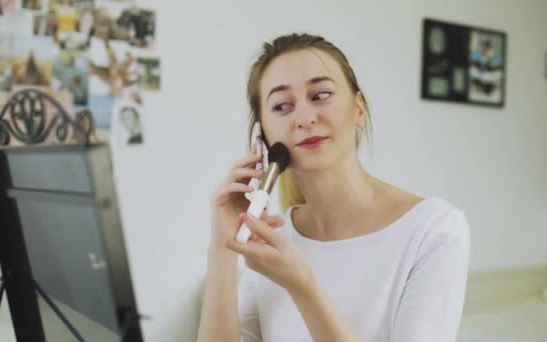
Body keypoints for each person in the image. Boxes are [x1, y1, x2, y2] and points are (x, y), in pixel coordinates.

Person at [197, 33, 470, 342]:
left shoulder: (434, 229)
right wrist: (222, 245)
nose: (304, 118)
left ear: (358, 108)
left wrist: (302, 286)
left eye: (320, 95)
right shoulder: (269, 241)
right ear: (263, 136)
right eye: (282, 106)